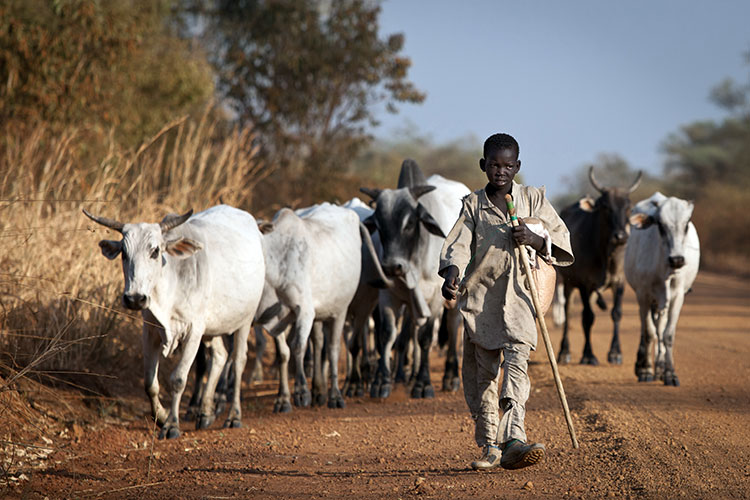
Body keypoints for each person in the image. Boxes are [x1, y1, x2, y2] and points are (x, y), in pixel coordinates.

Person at [439, 133, 574, 470]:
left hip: (522, 298)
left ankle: (514, 437)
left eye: (508, 165)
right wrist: (452, 271)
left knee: (517, 365)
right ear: (484, 165)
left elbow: (560, 238)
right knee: (483, 375)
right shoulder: (473, 205)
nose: (501, 171)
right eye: (495, 165)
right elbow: (458, 243)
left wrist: (534, 237)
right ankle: (490, 446)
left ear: (518, 167)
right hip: (481, 300)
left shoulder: (533, 199)